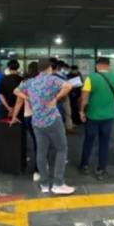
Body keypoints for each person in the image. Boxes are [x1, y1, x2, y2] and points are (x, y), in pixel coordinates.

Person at [15, 59, 75, 194]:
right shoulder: (52, 79)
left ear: (38, 69)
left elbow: (16, 91)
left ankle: (44, 184)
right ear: (49, 68)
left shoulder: (30, 82)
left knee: (41, 152)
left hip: (36, 122)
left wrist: (28, 98)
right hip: (52, 120)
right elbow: (68, 86)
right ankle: (58, 184)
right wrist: (56, 99)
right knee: (61, 149)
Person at [79, 57, 114, 180]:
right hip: (109, 115)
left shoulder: (90, 78)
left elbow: (84, 96)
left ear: (97, 66)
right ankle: (101, 169)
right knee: (104, 142)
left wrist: (81, 111)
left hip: (93, 115)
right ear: (108, 66)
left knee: (89, 140)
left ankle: (84, 165)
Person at [11, 61, 40, 181]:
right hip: (42, 116)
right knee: (42, 143)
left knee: (35, 143)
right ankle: (40, 168)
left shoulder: (24, 83)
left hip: (28, 116)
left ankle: (37, 170)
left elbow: (19, 101)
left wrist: (14, 116)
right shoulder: (43, 82)